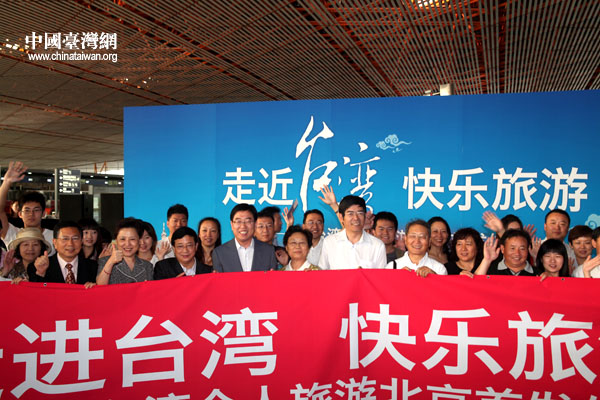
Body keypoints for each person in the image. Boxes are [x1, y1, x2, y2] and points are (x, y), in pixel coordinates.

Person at [0, 161, 55, 254]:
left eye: (36, 210)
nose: (31, 214)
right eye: (27, 210)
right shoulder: (13, 233)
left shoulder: (54, 236)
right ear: (20, 214)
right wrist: (6, 182)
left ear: (44, 213)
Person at [319, 195, 386, 270]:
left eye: (360, 213)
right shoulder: (329, 242)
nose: (356, 218)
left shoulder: (377, 245)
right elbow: (321, 273)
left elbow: (381, 276)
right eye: (350, 214)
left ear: (365, 216)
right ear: (341, 217)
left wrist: (364, 274)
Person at [27, 221, 97, 287]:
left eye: (75, 238)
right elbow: (35, 292)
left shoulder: (93, 267)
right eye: (65, 239)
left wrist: (95, 288)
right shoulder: (37, 267)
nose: (70, 244)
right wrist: (40, 273)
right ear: (55, 243)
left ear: (81, 241)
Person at [213, 203, 277, 273]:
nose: (243, 226)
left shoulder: (268, 251)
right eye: (238, 221)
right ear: (232, 225)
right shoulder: (219, 253)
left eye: (248, 221)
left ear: (255, 224)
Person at [97, 218, 153, 284]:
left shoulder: (147, 266)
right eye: (122, 239)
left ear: (139, 241)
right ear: (116, 241)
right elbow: (100, 286)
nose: (127, 244)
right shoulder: (105, 261)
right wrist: (110, 262)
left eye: (132, 239)